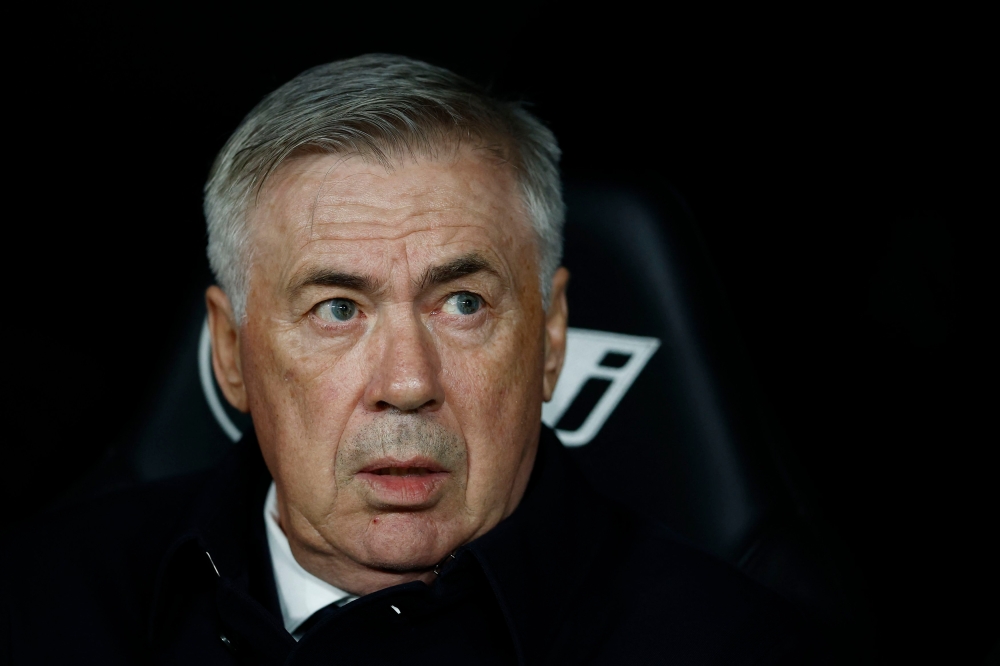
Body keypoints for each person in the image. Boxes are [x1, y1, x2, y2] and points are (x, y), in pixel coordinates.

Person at [1, 54, 827, 664]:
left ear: (550, 338)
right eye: (337, 309)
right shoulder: (44, 601)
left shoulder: (737, 653)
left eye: (463, 304)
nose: (407, 384)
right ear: (232, 354)